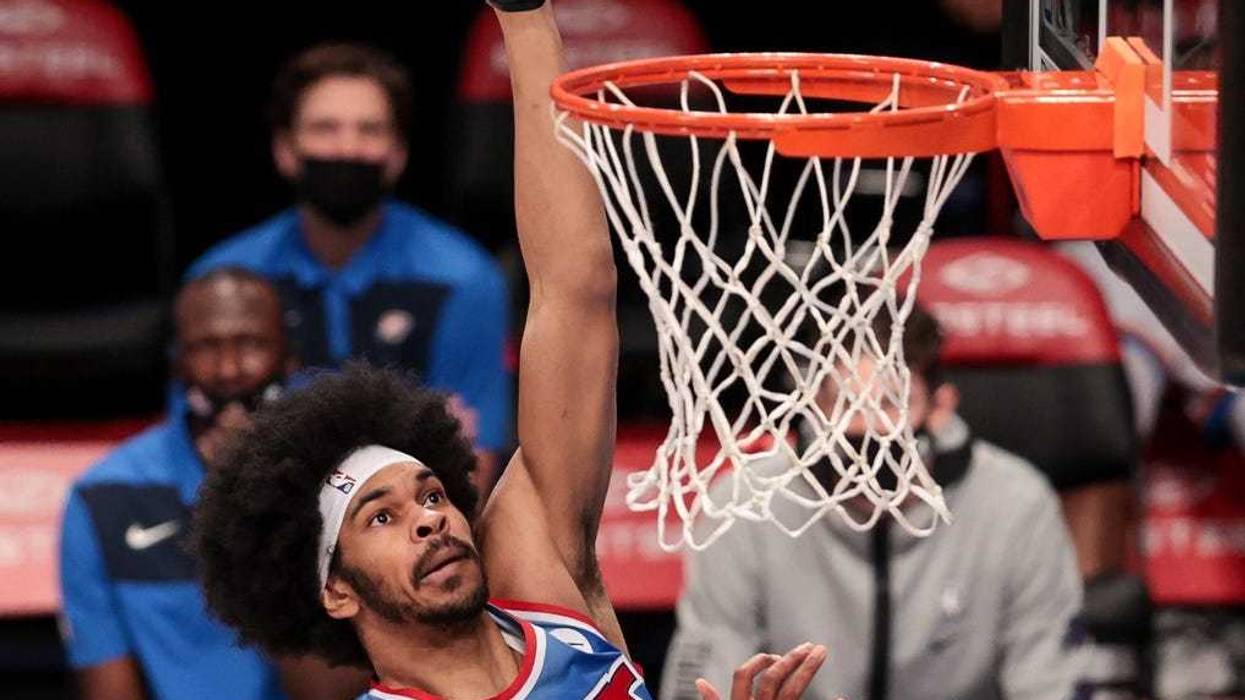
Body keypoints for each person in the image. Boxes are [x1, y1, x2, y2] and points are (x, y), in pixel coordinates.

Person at [192, 3, 827, 699]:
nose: (430, 518)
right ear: (338, 589)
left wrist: (525, 21)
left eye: (430, 494)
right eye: (382, 516)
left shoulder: (547, 599)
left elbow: (572, 290)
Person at [661, 304, 1088, 700]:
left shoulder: (1015, 505)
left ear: (941, 407)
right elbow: (705, 679)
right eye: (846, 405)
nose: (867, 431)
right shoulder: (745, 506)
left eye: (888, 403)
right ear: (812, 408)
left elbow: (1049, 684)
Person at [187, 40, 511, 490]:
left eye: (369, 130)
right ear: (285, 148)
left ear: (397, 154)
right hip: (259, 525)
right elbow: (197, 446)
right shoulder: (222, 282)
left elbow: (470, 466)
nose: (347, 148)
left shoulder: (465, 279)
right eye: (325, 128)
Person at [59, 268, 367, 699]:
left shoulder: (347, 477)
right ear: (178, 362)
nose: (228, 370)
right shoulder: (104, 497)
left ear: (290, 358)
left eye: (251, 344)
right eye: (206, 348)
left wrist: (263, 499)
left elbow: (325, 692)